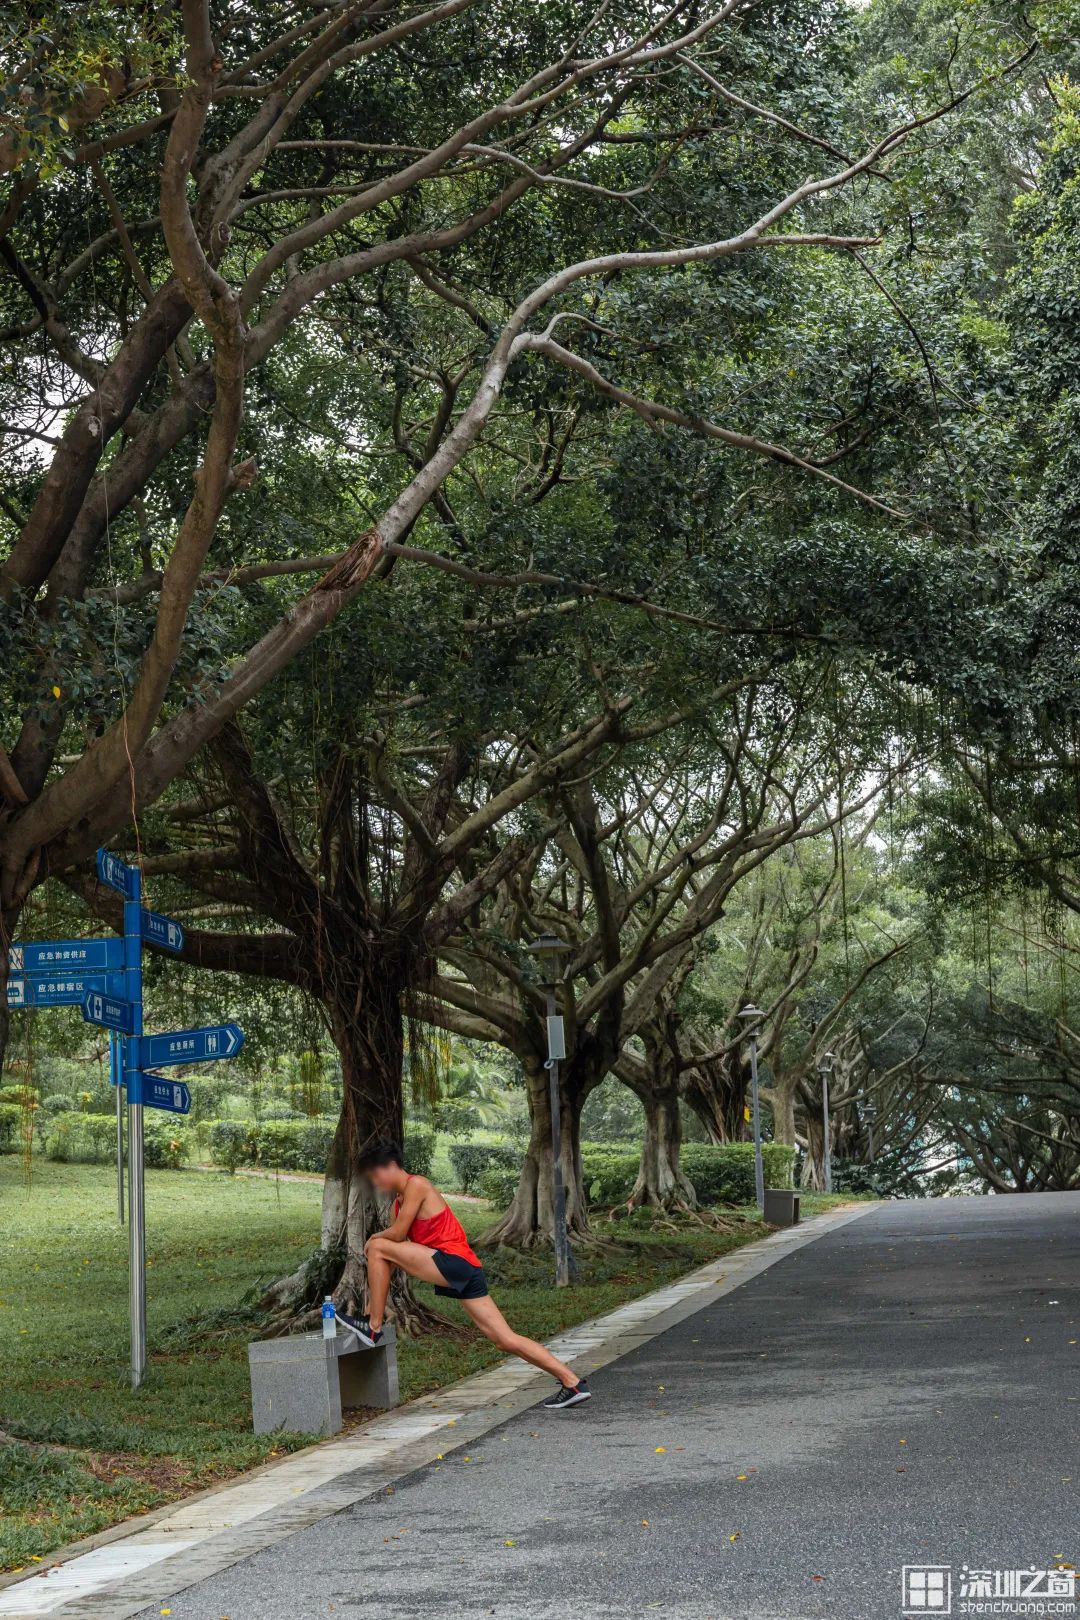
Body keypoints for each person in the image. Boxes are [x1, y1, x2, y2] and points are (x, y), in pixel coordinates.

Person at [335, 1140, 592, 1411]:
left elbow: (396, 1237)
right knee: (504, 1339)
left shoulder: (417, 1185)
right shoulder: (396, 1207)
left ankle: (372, 1328)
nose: (375, 1183)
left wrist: (374, 1238)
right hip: (463, 1269)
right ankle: (572, 1382)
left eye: (375, 1175)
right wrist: (371, 1299)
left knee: (377, 1245)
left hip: (454, 1262)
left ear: (390, 1166)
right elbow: (393, 1258)